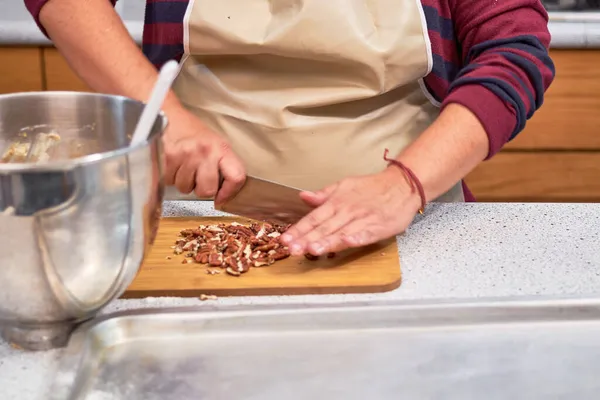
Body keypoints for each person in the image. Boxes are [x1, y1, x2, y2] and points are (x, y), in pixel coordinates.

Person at [25, 0, 555, 257]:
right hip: (192, 223)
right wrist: (169, 122)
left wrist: (405, 184)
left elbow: (513, 50)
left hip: (415, 233)